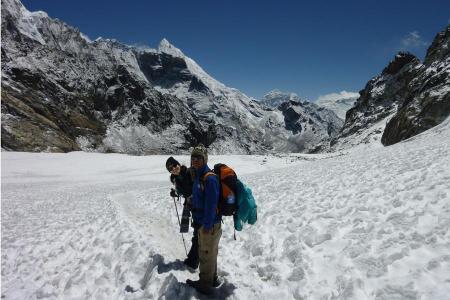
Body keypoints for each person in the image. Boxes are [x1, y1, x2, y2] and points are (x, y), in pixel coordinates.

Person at [186, 144, 222, 295]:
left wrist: (207, 224)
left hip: (209, 224)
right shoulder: (198, 176)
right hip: (203, 222)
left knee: (206, 254)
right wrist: (192, 200)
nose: (195, 160)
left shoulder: (210, 178)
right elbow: (201, 197)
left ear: (205, 159)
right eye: (193, 157)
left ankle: (204, 285)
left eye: (199, 158)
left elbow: (211, 204)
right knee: (209, 252)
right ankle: (212, 279)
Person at [165, 156, 199, 269]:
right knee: (197, 232)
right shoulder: (176, 179)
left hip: (199, 206)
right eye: (171, 168)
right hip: (191, 206)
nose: (174, 168)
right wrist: (176, 193)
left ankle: (193, 260)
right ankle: (194, 259)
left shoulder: (190, 172)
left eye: (174, 165)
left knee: (198, 233)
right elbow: (182, 191)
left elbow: (197, 188)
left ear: (178, 164)